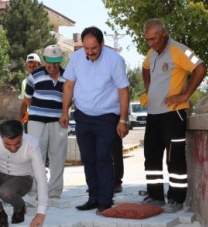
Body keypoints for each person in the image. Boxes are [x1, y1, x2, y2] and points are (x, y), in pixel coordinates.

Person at [59, 26, 130, 215]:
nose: (90, 53)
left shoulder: (114, 60)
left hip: (107, 117)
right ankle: (93, 197)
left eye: (94, 49)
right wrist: (65, 112)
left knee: (103, 158)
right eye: (86, 48)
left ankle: (105, 200)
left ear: (102, 44)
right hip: (83, 116)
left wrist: (123, 120)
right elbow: (68, 86)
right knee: (88, 159)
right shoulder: (76, 58)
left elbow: (123, 91)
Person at [141, 18, 206, 213]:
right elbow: (145, 68)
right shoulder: (151, 53)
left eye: (153, 39)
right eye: (147, 40)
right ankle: (155, 197)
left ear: (164, 34)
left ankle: (176, 199)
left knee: (174, 158)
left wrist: (185, 95)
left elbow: (200, 67)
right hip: (153, 114)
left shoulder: (180, 50)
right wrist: (148, 87)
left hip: (173, 114)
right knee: (151, 157)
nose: (150, 43)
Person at [0, 120, 47, 227]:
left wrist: (41, 213)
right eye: (7, 144)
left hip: (22, 179)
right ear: (1, 136)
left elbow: (41, 178)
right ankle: (0, 214)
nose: (13, 148)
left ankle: (20, 207)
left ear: (22, 135)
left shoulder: (32, 144)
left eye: (17, 143)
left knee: (5, 191)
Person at [24, 44, 67, 201]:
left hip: (58, 123)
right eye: (49, 62)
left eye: (56, 62)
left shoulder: (67, 76)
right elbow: (27, 98)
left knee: (58, 157)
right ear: (44, 60)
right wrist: (38, 112)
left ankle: (54, 193)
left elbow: (70, 99)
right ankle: (34, 192)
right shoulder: (35, 75)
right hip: (36, 122)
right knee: (36, 157)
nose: (52, 66)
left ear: (60, 61)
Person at [18, 53, 41, 132]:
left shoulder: (46, 79)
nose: (32, 69)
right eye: (30, 67)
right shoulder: (25, 82)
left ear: (39, 66)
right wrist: (21, 120)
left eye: (34, 66)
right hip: (30, 119)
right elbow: (24, 102)